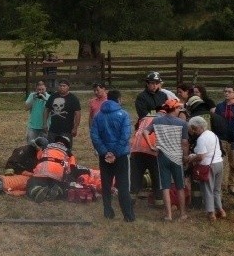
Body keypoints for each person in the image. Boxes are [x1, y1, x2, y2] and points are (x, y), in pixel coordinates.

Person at [90, 89, 134, 221]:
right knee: (123, 185)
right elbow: (125, 135)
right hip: (120, 155)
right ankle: (128, 215)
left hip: (104, 156)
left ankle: (108, 212)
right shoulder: (124, 114)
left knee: (106, 184)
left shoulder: (98, 115)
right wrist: (115, 152)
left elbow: (94, 135)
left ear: (107, 99)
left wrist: (104, 151)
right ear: (119, 99)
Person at [142, 98, 189, 221]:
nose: (180, 109)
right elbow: (184, 142)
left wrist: (151, 145)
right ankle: (183, 214)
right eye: (178, 107)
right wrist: (185, 156)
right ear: (174, 108)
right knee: (180, 186)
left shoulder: (157, 120)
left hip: (162, 156)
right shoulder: (182, 123)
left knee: (165, 187)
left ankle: (168, 215)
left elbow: (145, 132)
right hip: (177, 157)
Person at [186, 116, 225, 222]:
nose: (193, 131)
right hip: (219, 163)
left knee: (207, 190)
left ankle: (211, 214)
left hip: (208, 166)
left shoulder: (202, 138)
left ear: (199, 127)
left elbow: (201, 156)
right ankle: (220, 210)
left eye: (194, 128)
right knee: (217, 190)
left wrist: (191, 158)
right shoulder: (212, 134)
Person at [212, 85, 234, 196]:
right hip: (221, 138)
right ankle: (220, 185)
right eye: (225, 91)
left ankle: (231, 186)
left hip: (233, 139)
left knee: (233, 164)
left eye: (229, 91)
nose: (226, 93)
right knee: (220, 163)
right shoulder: (219, 106)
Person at [43, 79, 81, 151]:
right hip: (53, 129)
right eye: (60, 86)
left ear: (68, 87)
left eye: (64, 86)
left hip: (67, 130)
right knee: (50, 149)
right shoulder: (53, 96)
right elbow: (46, 110)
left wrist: (75, 128)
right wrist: (45, 123)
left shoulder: (73, 99)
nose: (62, 87)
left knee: (66, 150)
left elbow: (78, 113)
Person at [24, 80, 49, 146]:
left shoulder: (49, 97)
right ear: (36, 89)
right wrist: (33, 99)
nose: (40, 91)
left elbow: (52, 109)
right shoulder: (32, 96)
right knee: (30, 146)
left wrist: (45, 99)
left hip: (45, 127)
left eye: (42, 89)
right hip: (33, 126)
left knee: (45, 146)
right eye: (39, 89)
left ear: (46, 88)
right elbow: (26, 108)